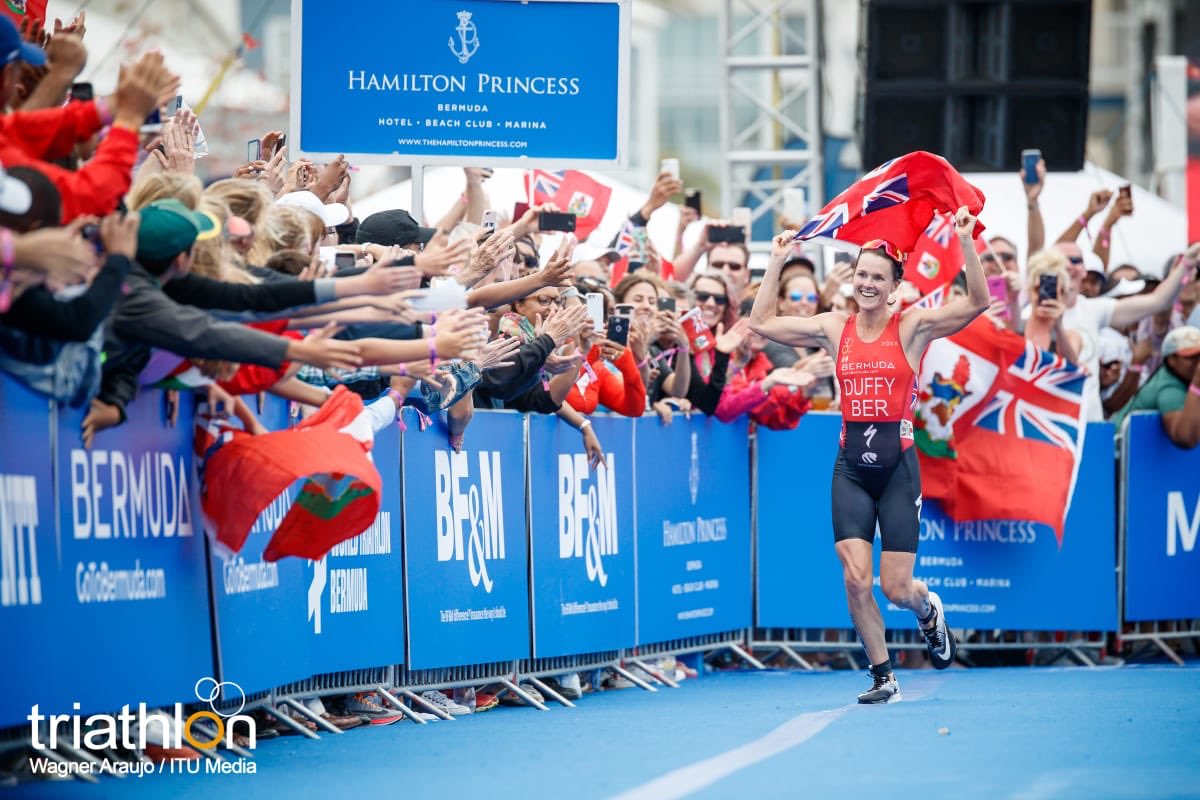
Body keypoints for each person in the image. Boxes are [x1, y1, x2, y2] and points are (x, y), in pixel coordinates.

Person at [749, 208, 991, 704]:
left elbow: (978, 302)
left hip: (898, 467)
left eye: (878, 277)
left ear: (894, 286)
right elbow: (761, 321)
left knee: (895, 587)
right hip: (851, 468)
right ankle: (883, 675)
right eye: (861, 274)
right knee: (856, 577)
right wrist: (777, 260)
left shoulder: (914, 327)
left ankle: (928, 611)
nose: (866, 283)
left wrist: (967, 241)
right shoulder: (834, 327)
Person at [1112, 326, 1200, 448]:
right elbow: (1185, 438)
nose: (1198, 363)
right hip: (1117, 456)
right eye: (1191, 357)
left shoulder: (1181, 378)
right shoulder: (1168, 387)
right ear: (1171, 360)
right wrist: (1197, 385)